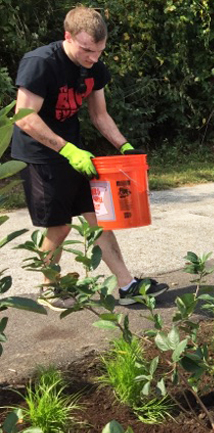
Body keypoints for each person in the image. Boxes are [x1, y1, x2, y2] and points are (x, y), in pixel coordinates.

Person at [11, 6, 167, 309]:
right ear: (67, 36)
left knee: (99, 218)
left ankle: (127, 286)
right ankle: (49, 288)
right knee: (60, 225)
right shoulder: (40, 63)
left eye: (99, 51)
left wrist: (125, 147)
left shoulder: (94, 68)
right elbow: (24, 118)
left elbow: (100, 115)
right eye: (86, 50)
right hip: (40, 155)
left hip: (77, 153)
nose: (93, 58)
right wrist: (66, 149)